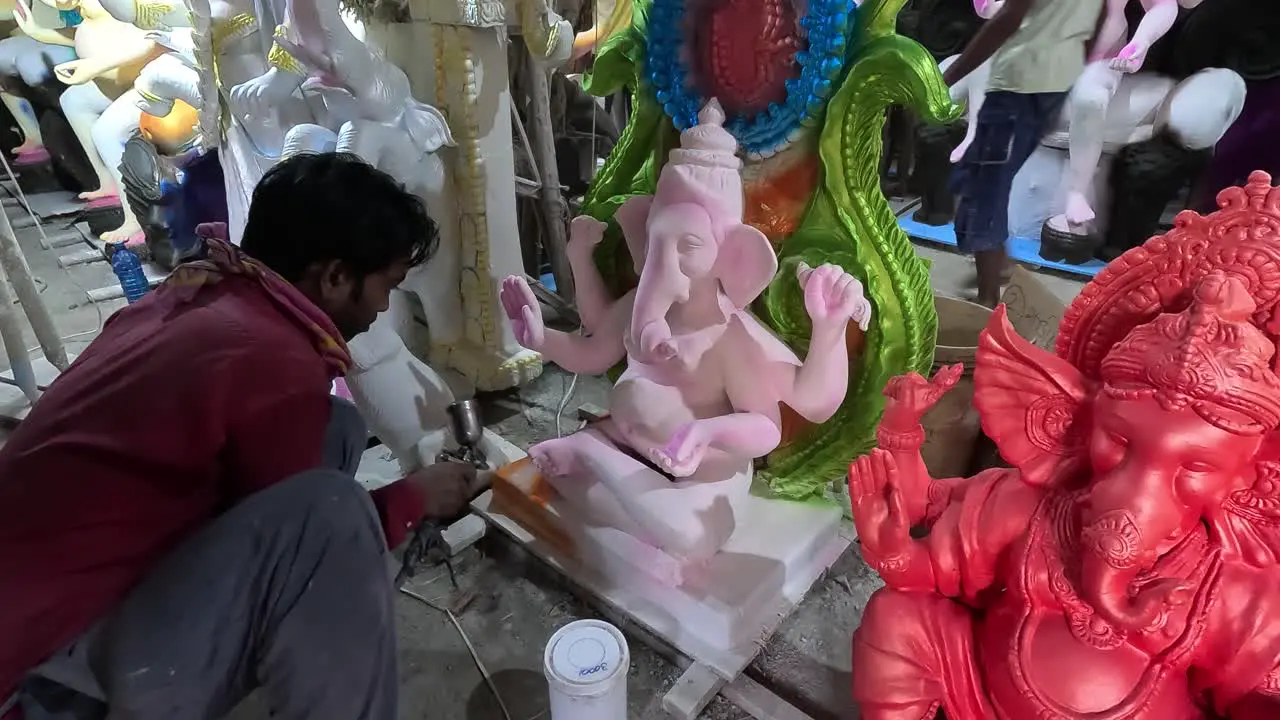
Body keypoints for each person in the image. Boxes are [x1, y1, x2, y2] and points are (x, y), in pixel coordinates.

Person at [0, 152, 478, 720]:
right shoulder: (270, 356)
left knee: (337, 427)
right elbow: (316, 539)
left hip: (56, 603)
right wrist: (412, 499)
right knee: (334, 511)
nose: (383, 307)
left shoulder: (203, 297)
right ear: (334, 276)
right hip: (45, 669)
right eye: (387, 287)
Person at [945, 0, 1105, 307]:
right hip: (1052, 84)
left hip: (1019, 87)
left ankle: (988, 303)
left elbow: (1005, 20)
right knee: (983, 181)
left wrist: (947, 77)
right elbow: (1097, 22)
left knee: (984, 193)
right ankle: (998, 266)